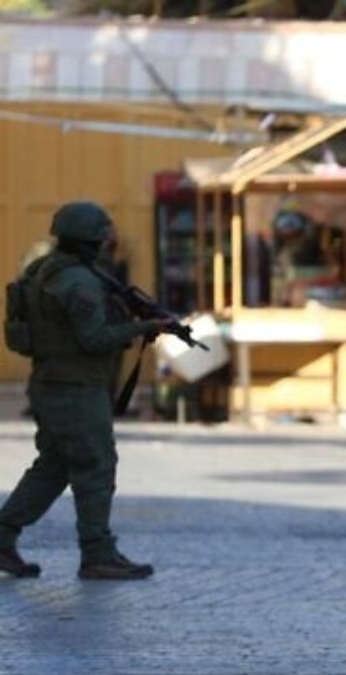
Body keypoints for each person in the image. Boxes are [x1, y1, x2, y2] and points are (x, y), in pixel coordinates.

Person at [0, 201, 169, 581]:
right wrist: (142, 329)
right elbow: (93, 338)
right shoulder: (80, 281)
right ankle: (98, 554)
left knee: (54, 468)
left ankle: (2, 537)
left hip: (53, 385)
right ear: (92, 237)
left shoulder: (43, 271)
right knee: (95, 467)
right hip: (75, 389)